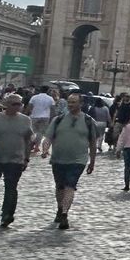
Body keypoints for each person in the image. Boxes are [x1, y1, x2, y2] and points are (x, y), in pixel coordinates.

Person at [44, 93, 99, 229]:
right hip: (58, 159)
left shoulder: (88, 121)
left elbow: (93, 142)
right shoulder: (58, 119)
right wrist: (45, 149)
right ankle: (60, 208)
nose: (70, 105)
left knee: (70, 185)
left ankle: (64, 214)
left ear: (81, 104)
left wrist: (92, 161)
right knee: (60, 187)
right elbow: (48, 137)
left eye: (73, 102)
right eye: (69, 102)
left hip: (78, 160)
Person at [0, 93, 35, 228]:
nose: (18, 107)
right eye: (15, 104)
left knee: (11, 188)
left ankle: (7, 215)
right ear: (6, 105)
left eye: (20, 104)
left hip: (15, 160)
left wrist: (26, 158)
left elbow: (28, 139)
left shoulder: (26, 120)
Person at [27, 86, 56, 156]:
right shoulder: (50, 98)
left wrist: (29, 112)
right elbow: (53, 108)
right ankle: (37, 146)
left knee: (33, 132)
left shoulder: (34, 97)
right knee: (41, 132)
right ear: (48, 91)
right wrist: (53, 117)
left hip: (34, 115)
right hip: (45, 117)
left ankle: (32, 144)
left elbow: (30, 105)